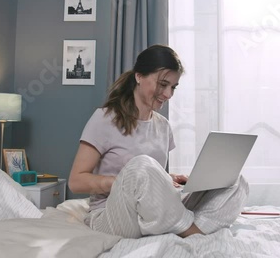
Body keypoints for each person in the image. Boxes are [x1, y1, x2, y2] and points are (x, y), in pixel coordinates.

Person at [68, 44, 249, 239]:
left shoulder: (163, 126)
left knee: (235, 181)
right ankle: (192, 231)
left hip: (152, 214)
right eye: (163, 84)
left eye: (173, 87)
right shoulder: (104, 119)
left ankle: (187, 225)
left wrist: (166, 179)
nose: (168, 94)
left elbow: (150, 178)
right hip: (113, 216)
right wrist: (125, 182)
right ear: (139, 76)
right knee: (141, 165)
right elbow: (76, 182)